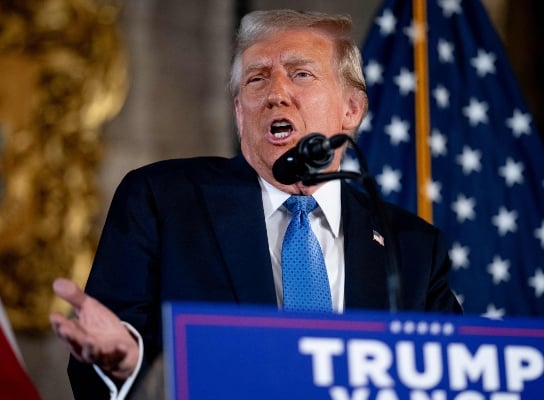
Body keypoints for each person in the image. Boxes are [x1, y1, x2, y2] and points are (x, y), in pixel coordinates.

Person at [50, 9, 462, 400]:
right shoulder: (164, 201)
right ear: (238, 112)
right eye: (256, 80)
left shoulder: (412, 248)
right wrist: (128, 365)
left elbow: (457, 376)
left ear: (351, 109)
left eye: (300, 73)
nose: (276, 93)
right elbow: (104, 357)